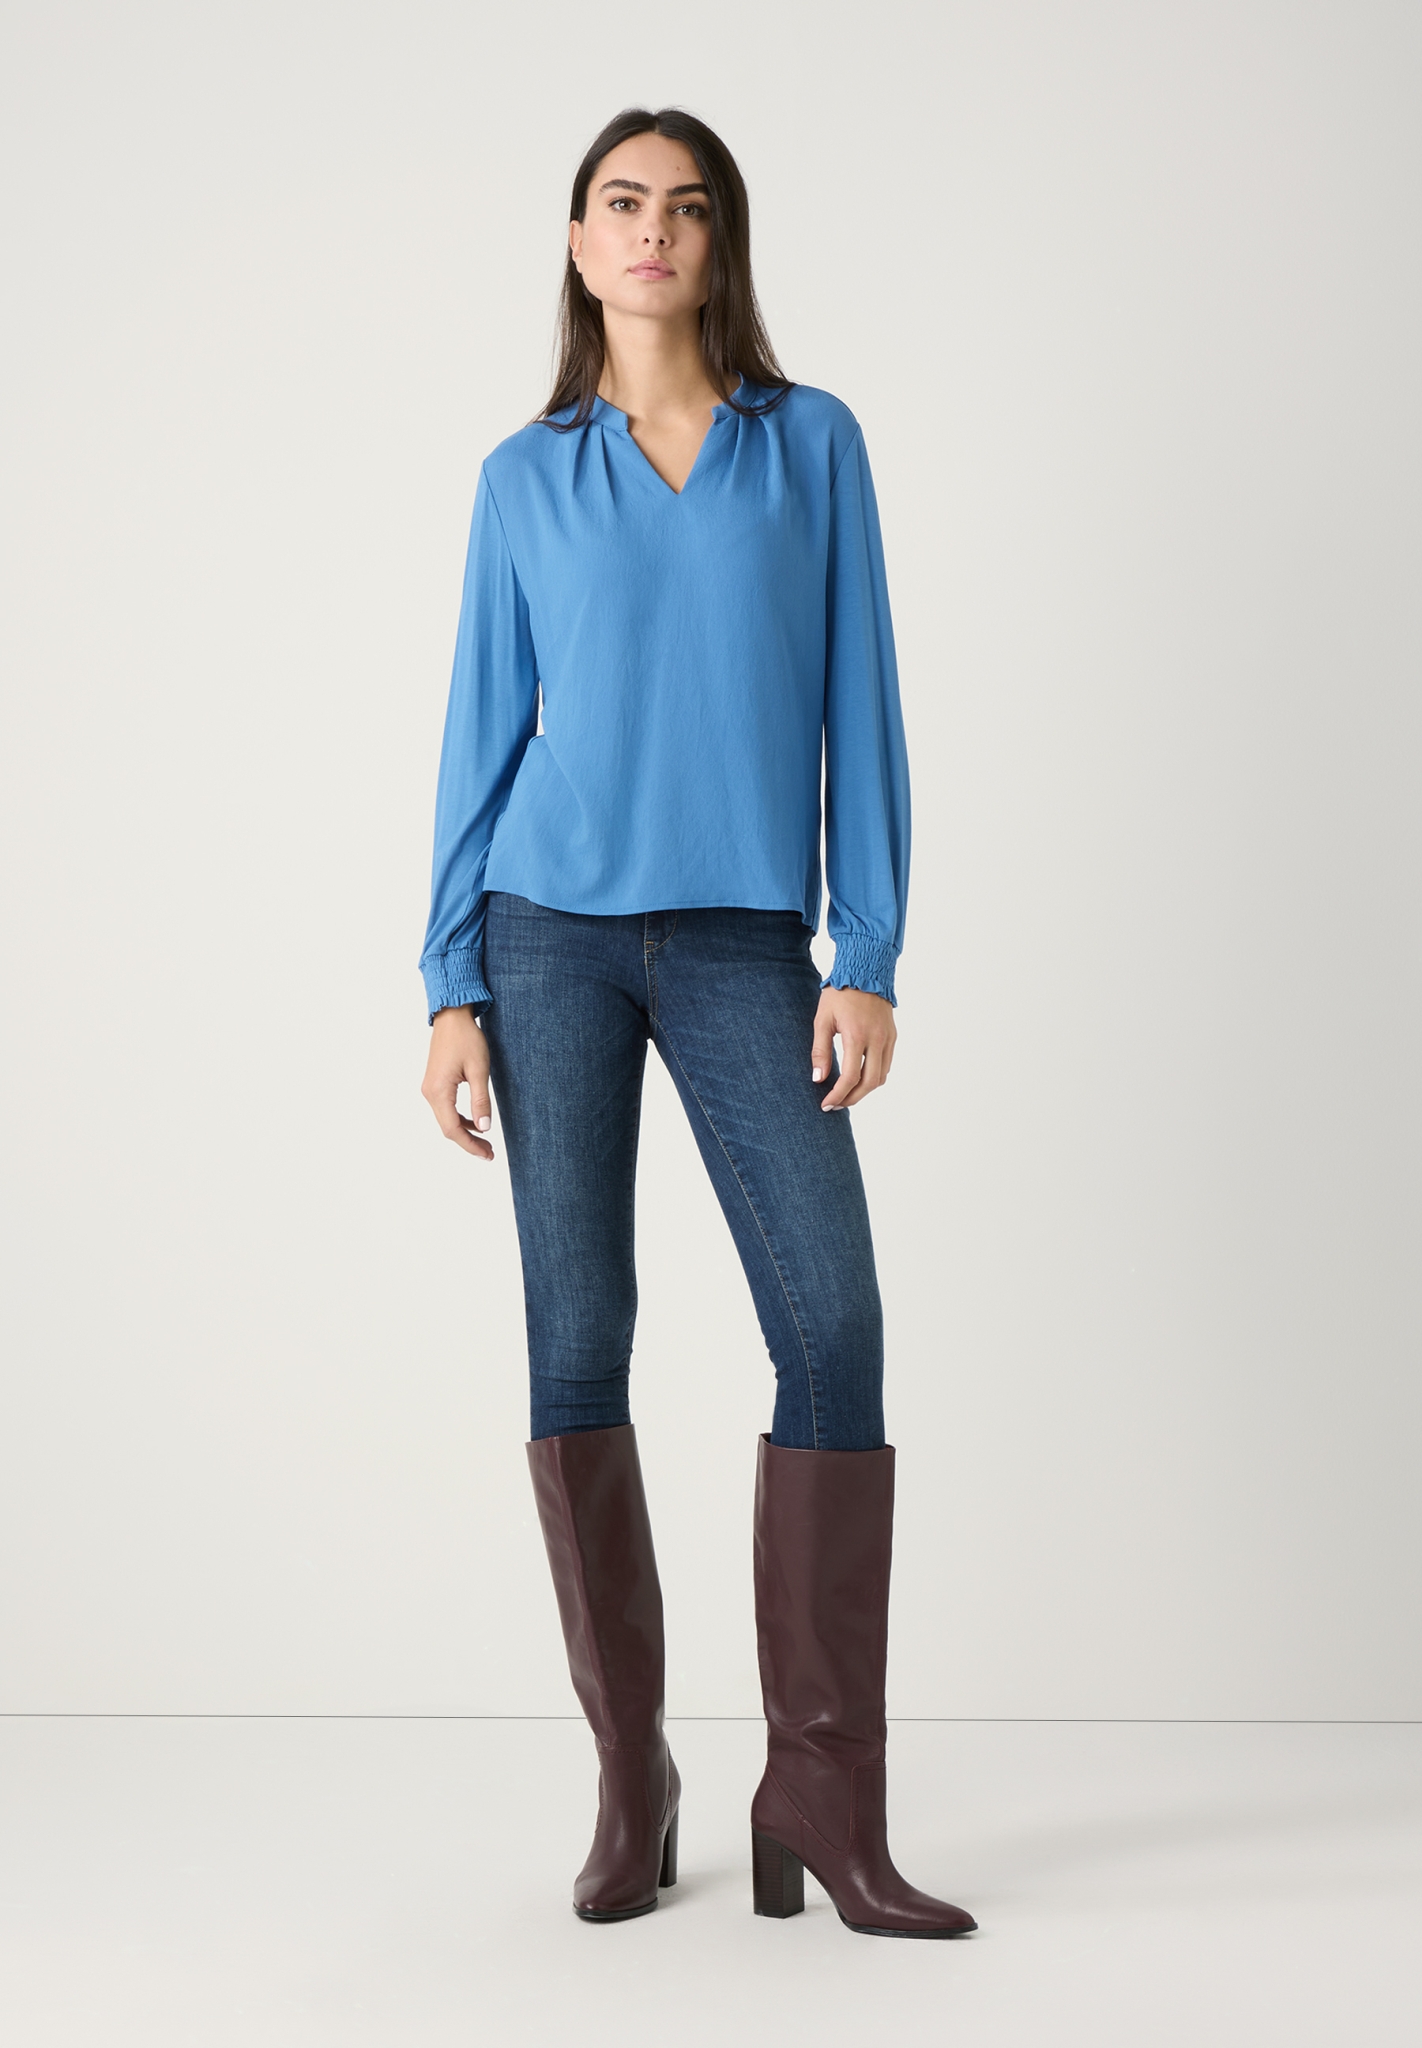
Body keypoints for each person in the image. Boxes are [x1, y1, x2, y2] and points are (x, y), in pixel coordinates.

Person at [419, 105, 975, 1940]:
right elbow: (477, 734)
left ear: (721, 243)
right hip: (547, 938)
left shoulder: (808, 446)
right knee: (577, 1340)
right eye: (621, 203)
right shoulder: (524, 476)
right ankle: (630, 1777)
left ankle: (820, 1784)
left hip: (746, 944)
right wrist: (447, 982)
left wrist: (865, 949)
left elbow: (861, 705)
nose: (653, 229)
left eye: (687, 206)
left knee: (834, 1330)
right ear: (579, 243)